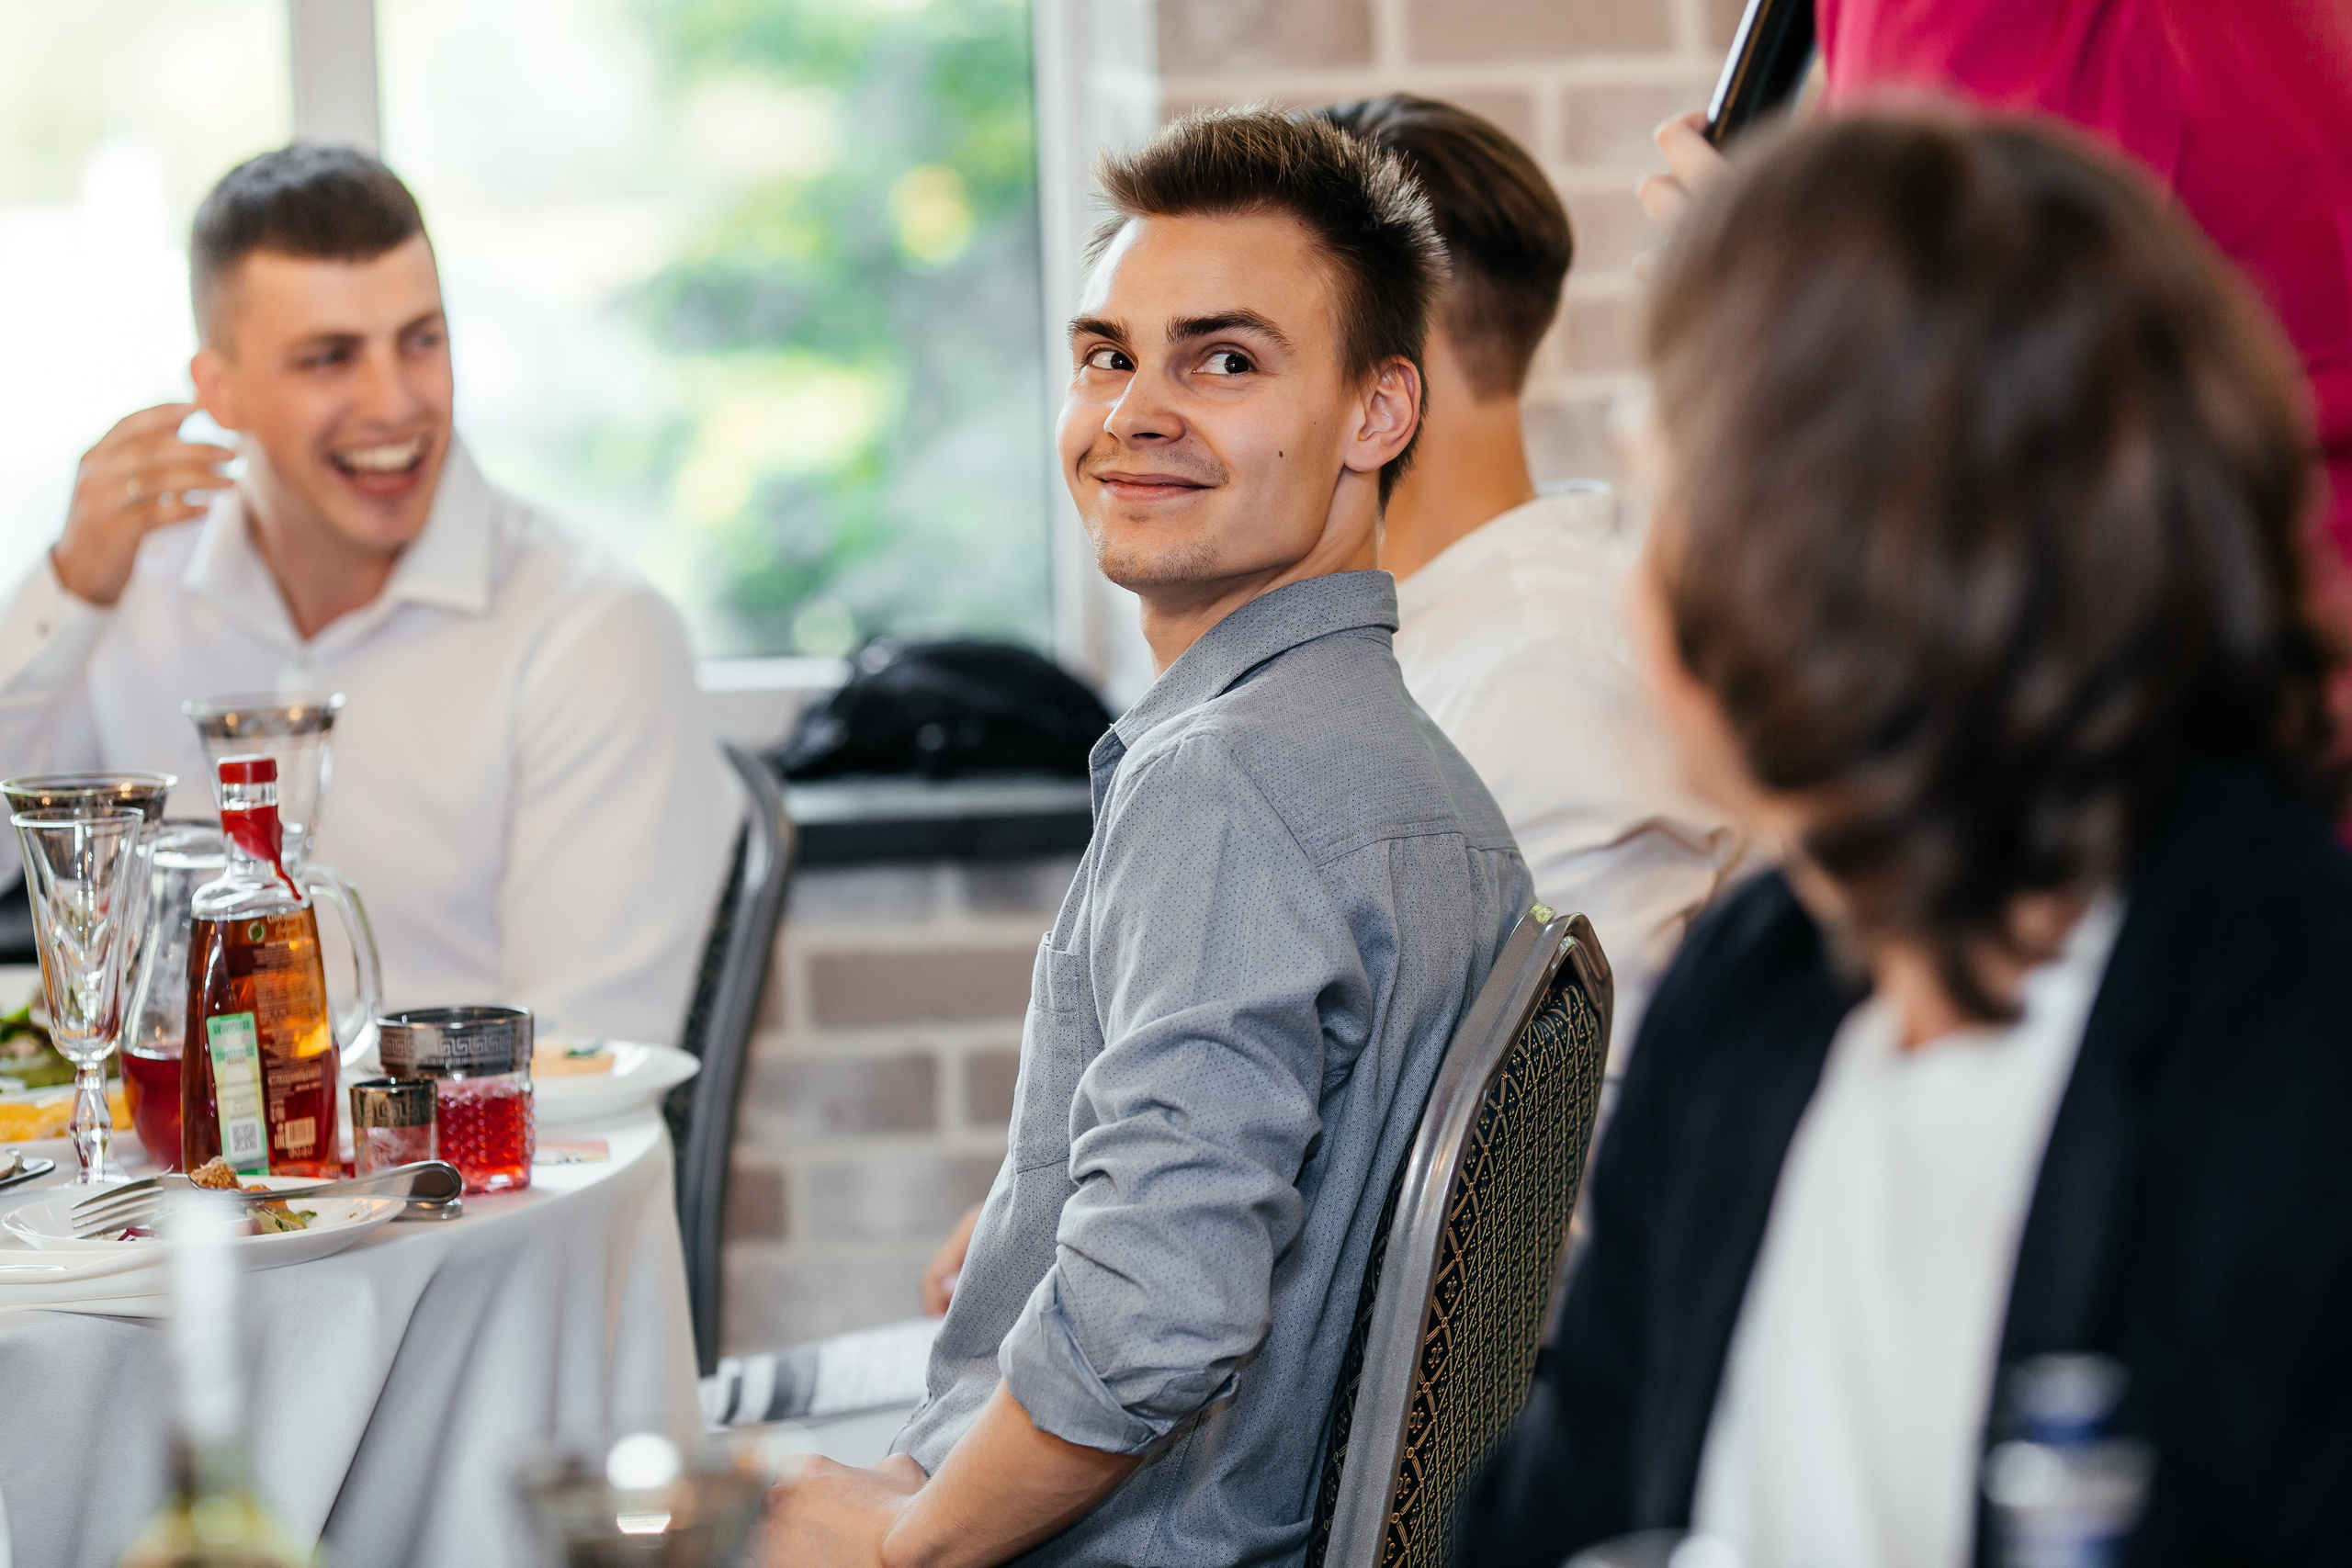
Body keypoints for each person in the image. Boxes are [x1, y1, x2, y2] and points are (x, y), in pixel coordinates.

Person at [1464, 115, 2352, 1567]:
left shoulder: (2290, 1048)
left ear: (1816, 544)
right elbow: (1567, 1507)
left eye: (1655, 491)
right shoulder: (1755, 985)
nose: (1629, 570)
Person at [763, 109, 1531, 1567]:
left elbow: (1153, 1313)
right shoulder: (1412, 773)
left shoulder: (1232, 781)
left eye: (1224, 359)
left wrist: (901, 1544)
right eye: (1110, 354)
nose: (1133, 411)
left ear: (1380, 412)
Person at [0, 145, 734, 1042]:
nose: (394, 403)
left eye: (420, 341)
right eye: (329, 358)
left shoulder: (595, 631)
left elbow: (591, 1055)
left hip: (478, 1175)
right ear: (218, 391)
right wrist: (69, 594)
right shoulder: (131, 588)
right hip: (182, 1178)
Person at [1315, 93, 1749, 1059]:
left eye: (1255, 346)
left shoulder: (1544, 674)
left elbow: (1586, 1156)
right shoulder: (1438, 624)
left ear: (1391, 365)